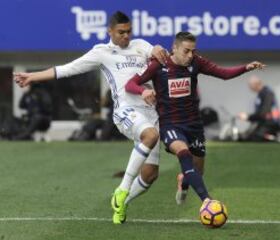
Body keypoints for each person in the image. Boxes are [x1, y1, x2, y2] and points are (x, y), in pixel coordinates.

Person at [14, 11, 167, 224]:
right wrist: (33, 76)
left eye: (129, 31)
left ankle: (121, 201)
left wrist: (159, 49)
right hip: (126, 111)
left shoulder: (141, 45)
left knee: (150, 175)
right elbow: (68, 69)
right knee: (150, 136)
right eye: (121, 32)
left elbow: (158, 53)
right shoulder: (101, 52)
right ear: (110, 31)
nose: (126, 36)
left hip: (151, 112)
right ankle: (122, 189)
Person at [125, 31, 265, 206]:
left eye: (193, 51)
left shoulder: (196, 62)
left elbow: (224, 73)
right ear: (174, 48)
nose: (190, 55)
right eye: (186, 51)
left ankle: (184, 181)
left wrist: (246, 67)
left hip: (194, 125)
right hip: (170, 125)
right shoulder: (158, 65)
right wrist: (143, 91)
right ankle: (207, 201)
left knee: (196, 171)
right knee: (184, 154)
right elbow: (130, 84)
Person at [238, 75, 280, 143]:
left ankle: (275, 138)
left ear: (256, 84)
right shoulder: (260, 94)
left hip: (271, 123)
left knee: (257, 138)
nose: (249, 87)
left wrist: (248, 117)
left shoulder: (267, 93)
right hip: (263, 122)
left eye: (250, 85)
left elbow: (263, 113)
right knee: (246, 138)